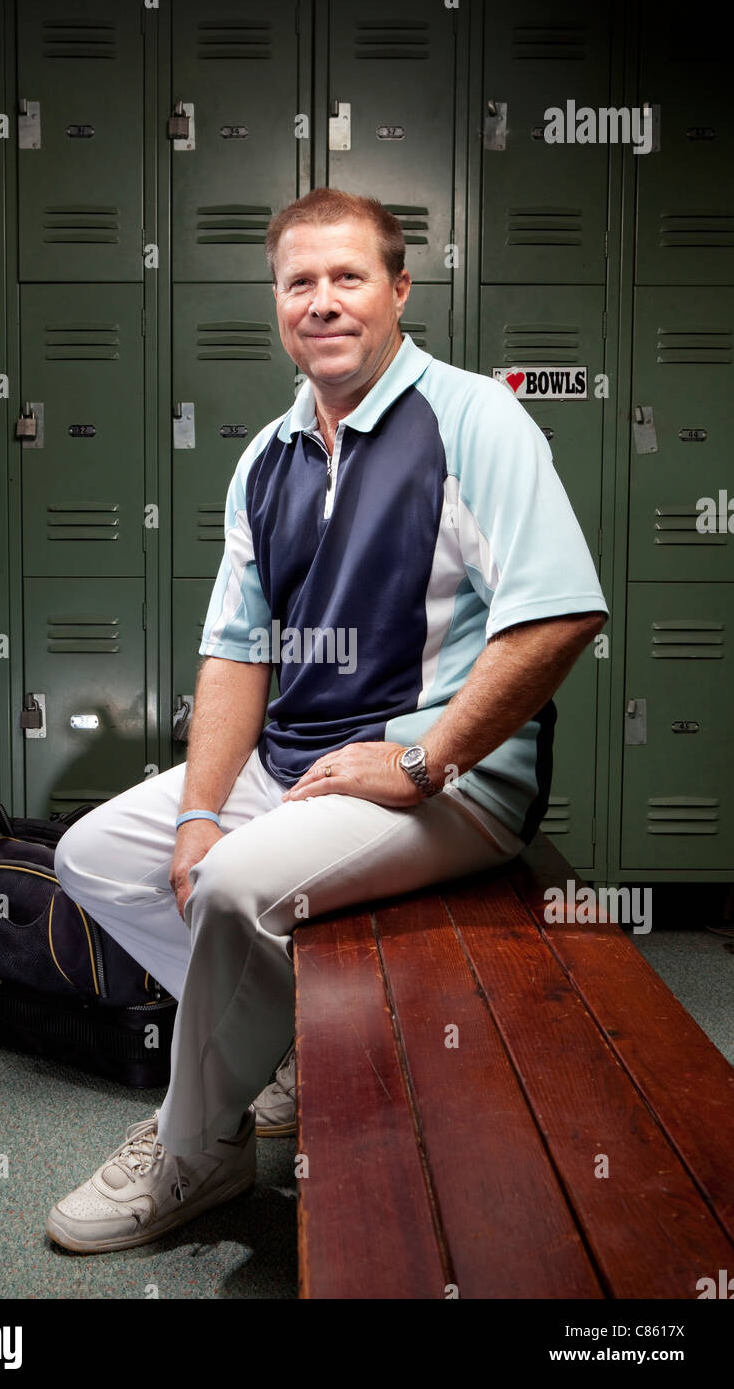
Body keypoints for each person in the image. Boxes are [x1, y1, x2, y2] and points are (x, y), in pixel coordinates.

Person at [46, 187, 609, 1253]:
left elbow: (560, 613)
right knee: (99, 856)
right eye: (297, 282)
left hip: (450, 778)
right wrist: (203, 808)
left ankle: (197, 1147)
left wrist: (426, 757)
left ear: (399, 289)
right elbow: (234, 652)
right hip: (298, 763)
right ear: (275, 303)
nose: (321, 301)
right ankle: (286, 1051)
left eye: (347, 277)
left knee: (237, 885)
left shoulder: (474, 416)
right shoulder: (267, 456)